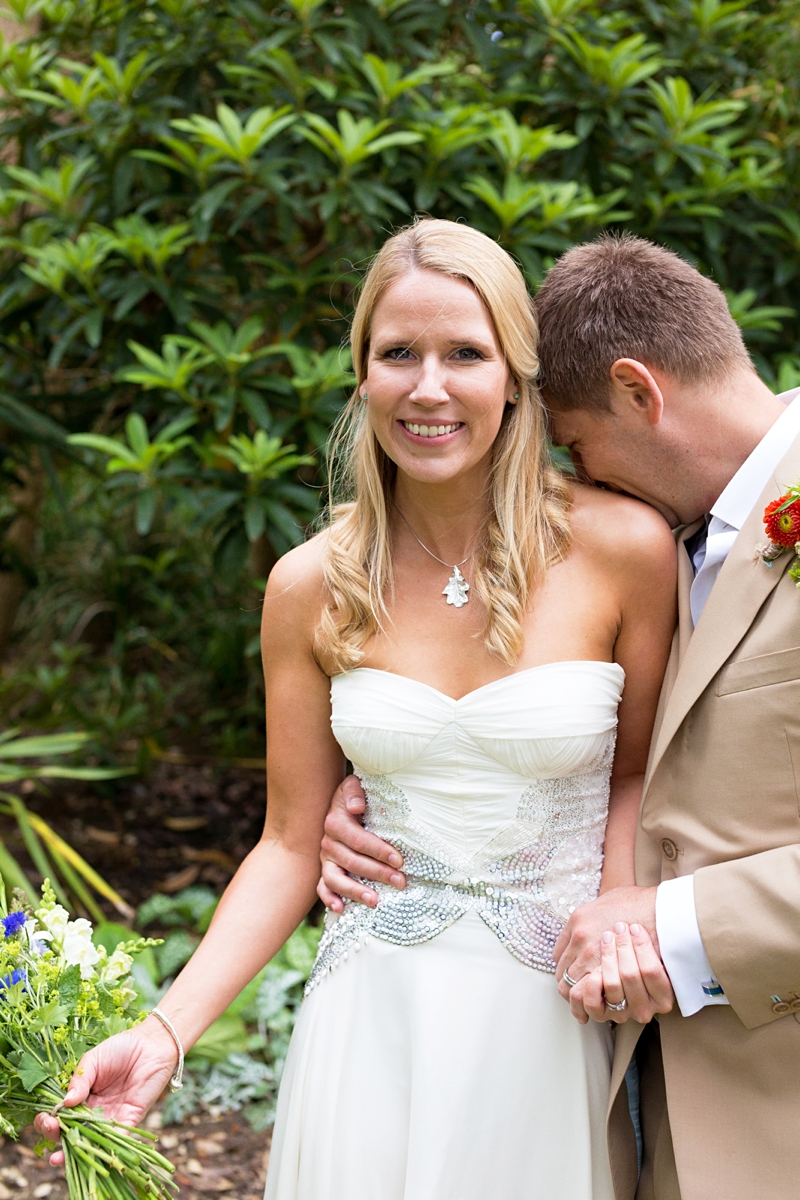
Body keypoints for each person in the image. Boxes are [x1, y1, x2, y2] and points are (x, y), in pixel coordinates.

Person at [35, 220, 677, 1199]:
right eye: (397, 355)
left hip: (552, 1019)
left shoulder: (621, 549)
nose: (428, 387)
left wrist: (619, 918)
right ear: (362, 374)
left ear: (514, 374)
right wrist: (167, 1029)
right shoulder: (308, 586)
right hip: (369, 1016)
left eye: (464, 353)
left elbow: (638, 772)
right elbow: (290, 842)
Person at [320, 233, 800, 1200]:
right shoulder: (671, 534)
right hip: (657, 1102)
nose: (582, 481)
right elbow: (623, 748)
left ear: (639, 393)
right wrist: (400, 784)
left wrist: (681, 925)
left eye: (578, 446)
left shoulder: (643, 525)